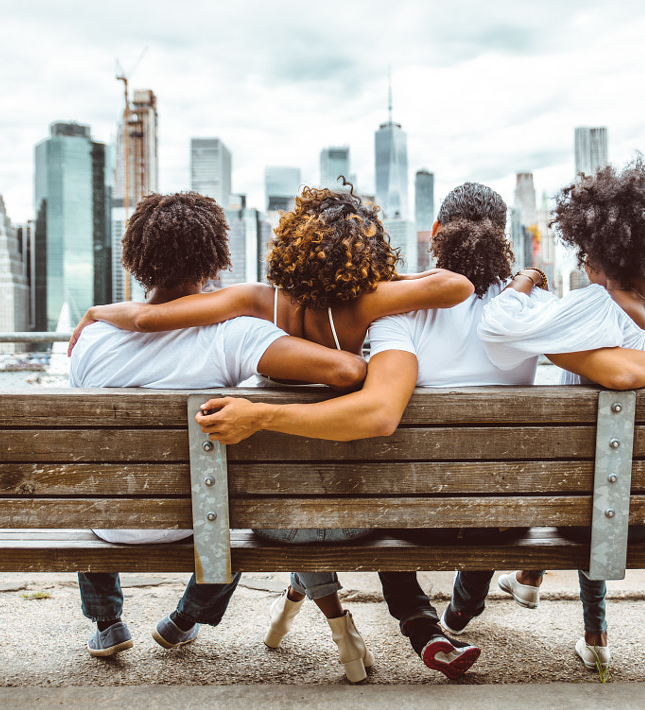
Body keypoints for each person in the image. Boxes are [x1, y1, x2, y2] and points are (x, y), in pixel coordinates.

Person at [194, 182, 645, 679]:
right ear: (504, 239)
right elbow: (615, 367)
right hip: (507, 516)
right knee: (486, 485)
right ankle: (458, 613)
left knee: (381, 497)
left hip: (419, 517)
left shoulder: (400, 312)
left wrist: (261, 414)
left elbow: (378, 414)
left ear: (436, 231)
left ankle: (424, 625)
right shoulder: (528, 313)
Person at [68, 183, 473, 683]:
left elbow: (148, 318)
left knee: (136, 484)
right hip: (198, 518)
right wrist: (371, 280)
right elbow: (363, 361)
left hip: (106, 516)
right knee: (227, 508)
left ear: (133, 258)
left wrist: (97, 313)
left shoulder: (101, 339)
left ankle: (107, 621)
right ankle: (187, 617)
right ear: (216, 260)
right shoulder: (243, 335)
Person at [450, 157, 645, 673]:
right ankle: (586, 627)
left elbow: (497, 324)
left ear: (596, 251)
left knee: (590, 482)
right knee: (606, 469)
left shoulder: (597, 306)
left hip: (592, 514)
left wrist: (525, 278)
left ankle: (506, 591)